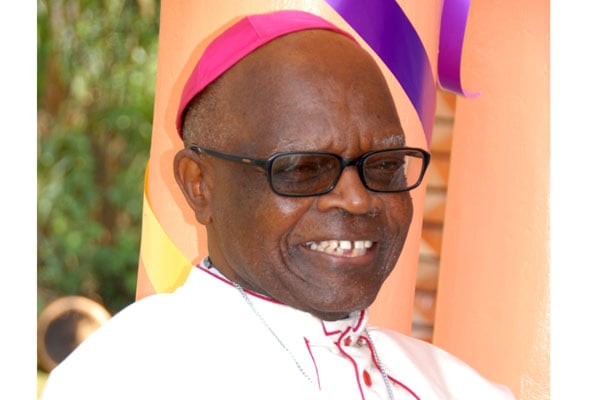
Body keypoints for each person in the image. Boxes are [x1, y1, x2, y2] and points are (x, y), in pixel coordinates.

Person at [41, 10, 514, 400]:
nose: (357, 199)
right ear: (199, 185)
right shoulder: (125, 379)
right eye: (304, 169)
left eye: (385, 165)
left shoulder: (460, 388)